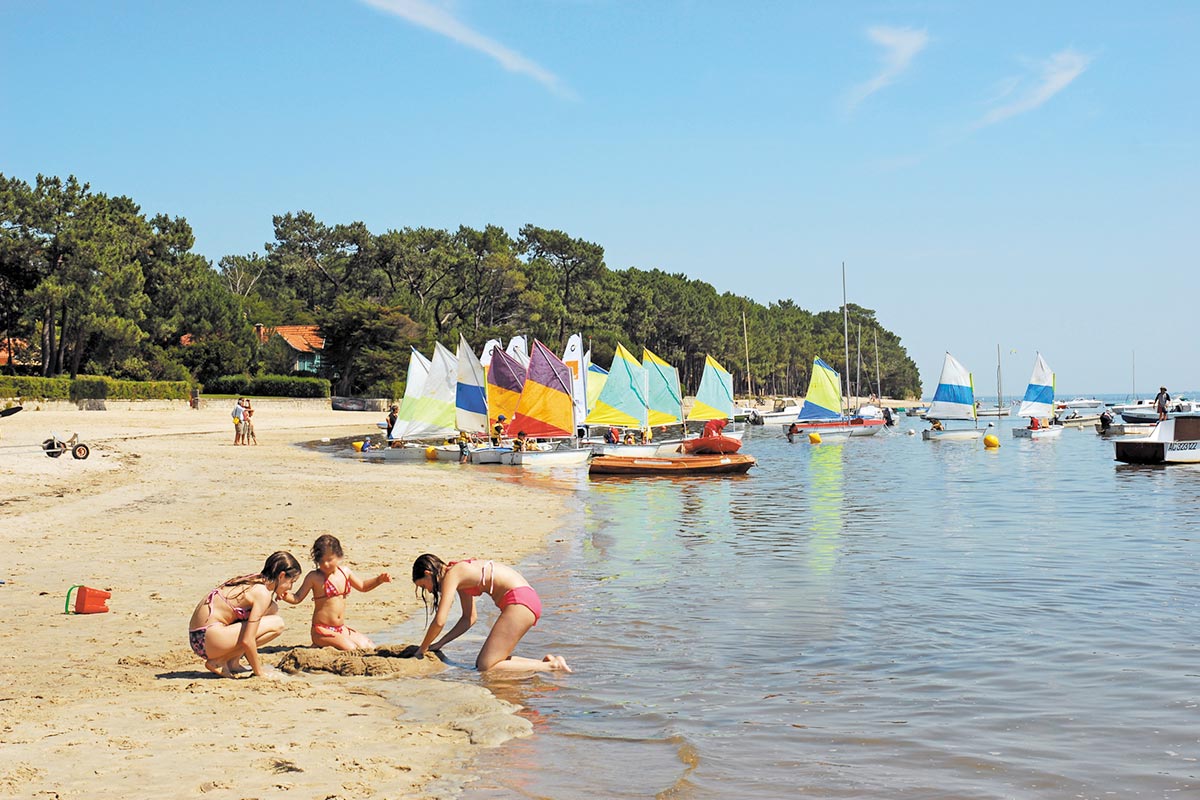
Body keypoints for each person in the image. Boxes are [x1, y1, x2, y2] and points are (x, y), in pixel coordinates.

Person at [411, 554, 571, 673]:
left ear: (428, 573)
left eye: (424, 586)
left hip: (520, 601)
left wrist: (422, 649)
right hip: (526, 599)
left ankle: (553, 666)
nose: (429, 591)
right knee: (491, 660)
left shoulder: (453, 574)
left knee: (485, 666)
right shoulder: (458, 574)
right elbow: (469, 618)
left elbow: (440, 621)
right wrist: (439, 644)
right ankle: (544, 663)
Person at [187, 551, 302, 679]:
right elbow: (247, 640)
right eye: (292, 581)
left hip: (199, 637)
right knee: (277, 624)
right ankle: (219, 661)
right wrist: (259, 672)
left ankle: (232, 662)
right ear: (281, 576)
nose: (290, 588)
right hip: (207, 638)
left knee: (272, 608)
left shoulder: (256, 580)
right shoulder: (262, 593)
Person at [286, 535, 390, 651]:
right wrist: (285, 596)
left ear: (339, 556)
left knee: (369, 646)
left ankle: (324, 645)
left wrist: (379, 580)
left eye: (329, 560)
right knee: (350, 648)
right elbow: (297, 597)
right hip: (321, 630)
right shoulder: (314, 577)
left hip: (340, 628)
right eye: (321, 561)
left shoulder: (345, 572)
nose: (325, 564)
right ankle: (320, 643)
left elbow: (363, 587)